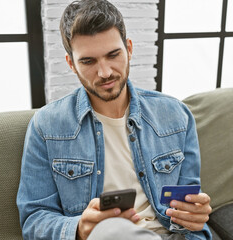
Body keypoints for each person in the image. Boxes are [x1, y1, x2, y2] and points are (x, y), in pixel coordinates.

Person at [16, 0, 212, 239]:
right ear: (71, 64)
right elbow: (34, 220)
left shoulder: (176, 115)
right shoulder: (46, 126)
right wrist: (78, 228)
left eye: (113, 55)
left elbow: (188, 209)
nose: (105, 72)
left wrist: (194, 216)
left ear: (129, 49)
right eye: (88, 61)